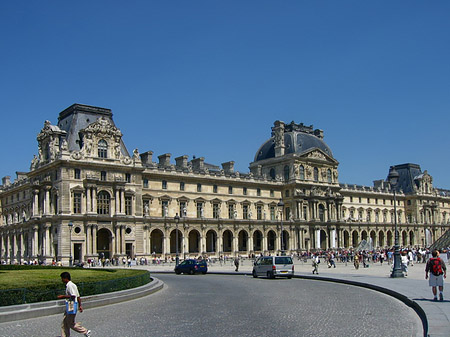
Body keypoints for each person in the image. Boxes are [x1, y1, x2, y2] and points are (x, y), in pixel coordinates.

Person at [57, 272, 91, 337]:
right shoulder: (73, 285)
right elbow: (78, 296)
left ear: (65, 278)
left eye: (62, 278)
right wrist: (80, 305)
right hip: (71, 305)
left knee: (70, 323)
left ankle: (85, 331)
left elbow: (73, 296)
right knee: (65, 322)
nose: (61, 280)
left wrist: (63, 296)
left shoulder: (70, 285)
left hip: (71, 305)